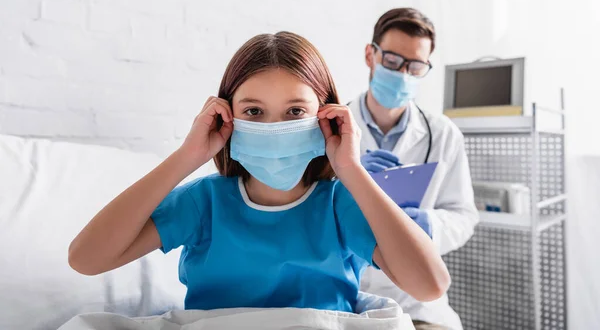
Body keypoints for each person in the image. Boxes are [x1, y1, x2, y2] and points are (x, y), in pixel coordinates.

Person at [68, 31, 450, 314]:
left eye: (295, 112)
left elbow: (429, 285)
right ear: (226, 117)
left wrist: (350, 169)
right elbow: (86, 259)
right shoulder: (204, 203)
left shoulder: (339, 205)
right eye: (253, 111)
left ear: (326, 117)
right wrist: (188, 156)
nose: (274, 126)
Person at [350, 8, 479, 330]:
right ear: (371, 55)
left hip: (414, 301)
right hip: (344, 291)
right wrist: (344, 178)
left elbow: (464, 216)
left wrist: (430, 224)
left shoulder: (443, 134)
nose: (403, 74)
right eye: (393, 62)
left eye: (416, 66)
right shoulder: (332, 127)